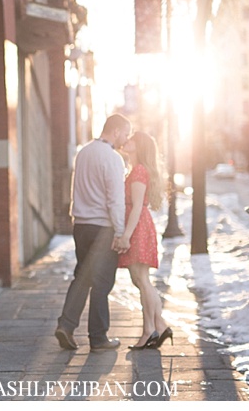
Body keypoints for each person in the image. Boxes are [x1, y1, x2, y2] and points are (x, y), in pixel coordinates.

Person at [55, 114, 131, 352]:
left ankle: (66, 326)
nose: (125, 140)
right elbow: (115, 200)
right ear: (116, 131)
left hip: (81, 225)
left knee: (83, 276)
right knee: (102, 282)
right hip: (102, 228)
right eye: (126, 134)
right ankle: (98, 338)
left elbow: (74, 187)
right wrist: (120, 231)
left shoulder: (84, 152)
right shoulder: (113, 158)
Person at [113, 131, 172, 349]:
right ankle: (159, 326)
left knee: (142, 280)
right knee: (140, 280)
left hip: (137, 227)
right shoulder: (136, 169)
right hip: (138, 225)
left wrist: (126, 236)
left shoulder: (138, 171)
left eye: (131, 139)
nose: (125, 141)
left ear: (138, 147)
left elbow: (137, 205)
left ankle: (150, 329)